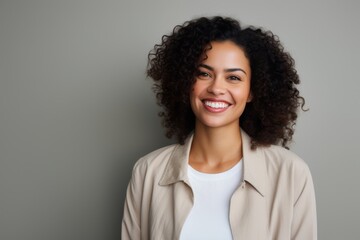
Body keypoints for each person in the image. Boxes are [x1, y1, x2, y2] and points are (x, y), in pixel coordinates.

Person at [121, 16, 317, 240]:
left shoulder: (290, 173)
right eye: (204, 74)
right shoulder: (148, 171)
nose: (216, 88)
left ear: (252, 91)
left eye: (233, 77)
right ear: (186, 82)